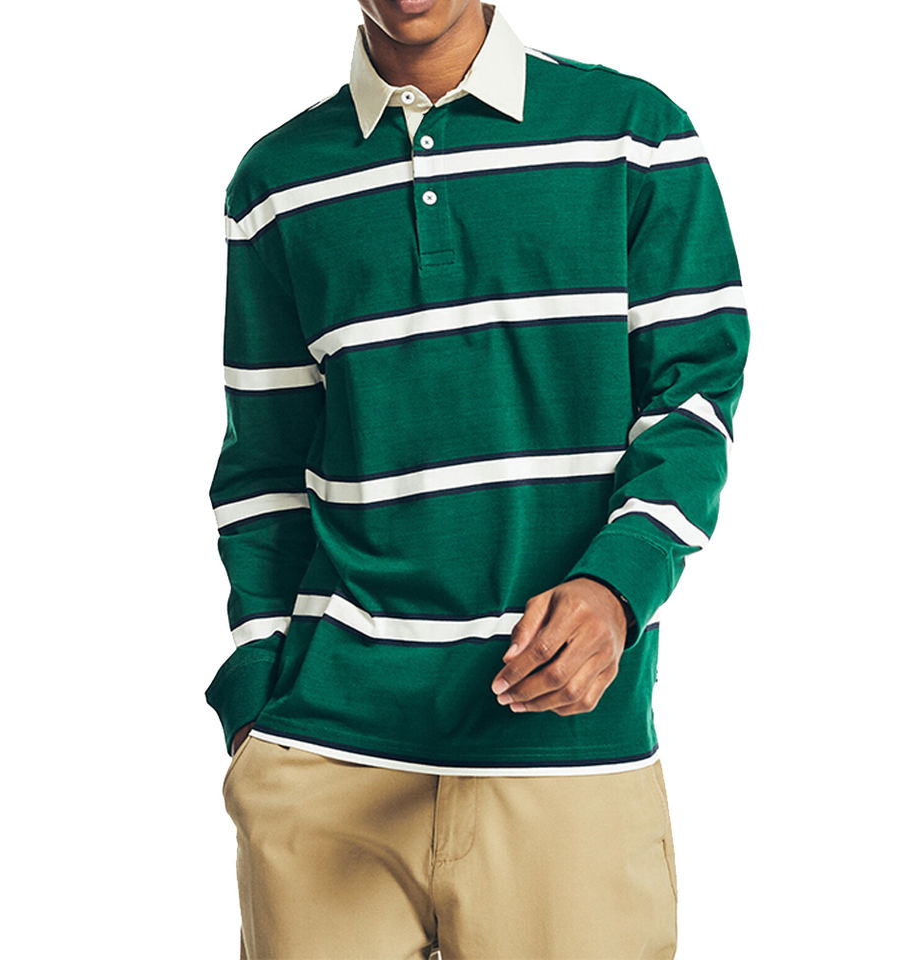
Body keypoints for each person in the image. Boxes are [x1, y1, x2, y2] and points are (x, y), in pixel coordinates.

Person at [205, 1, 750, 957]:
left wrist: (618, 587)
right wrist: (255, 699)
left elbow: (693, 403)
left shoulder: (633, 133)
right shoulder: (277, 181)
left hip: (566, 760)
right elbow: (262, 468)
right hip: (324, 765)